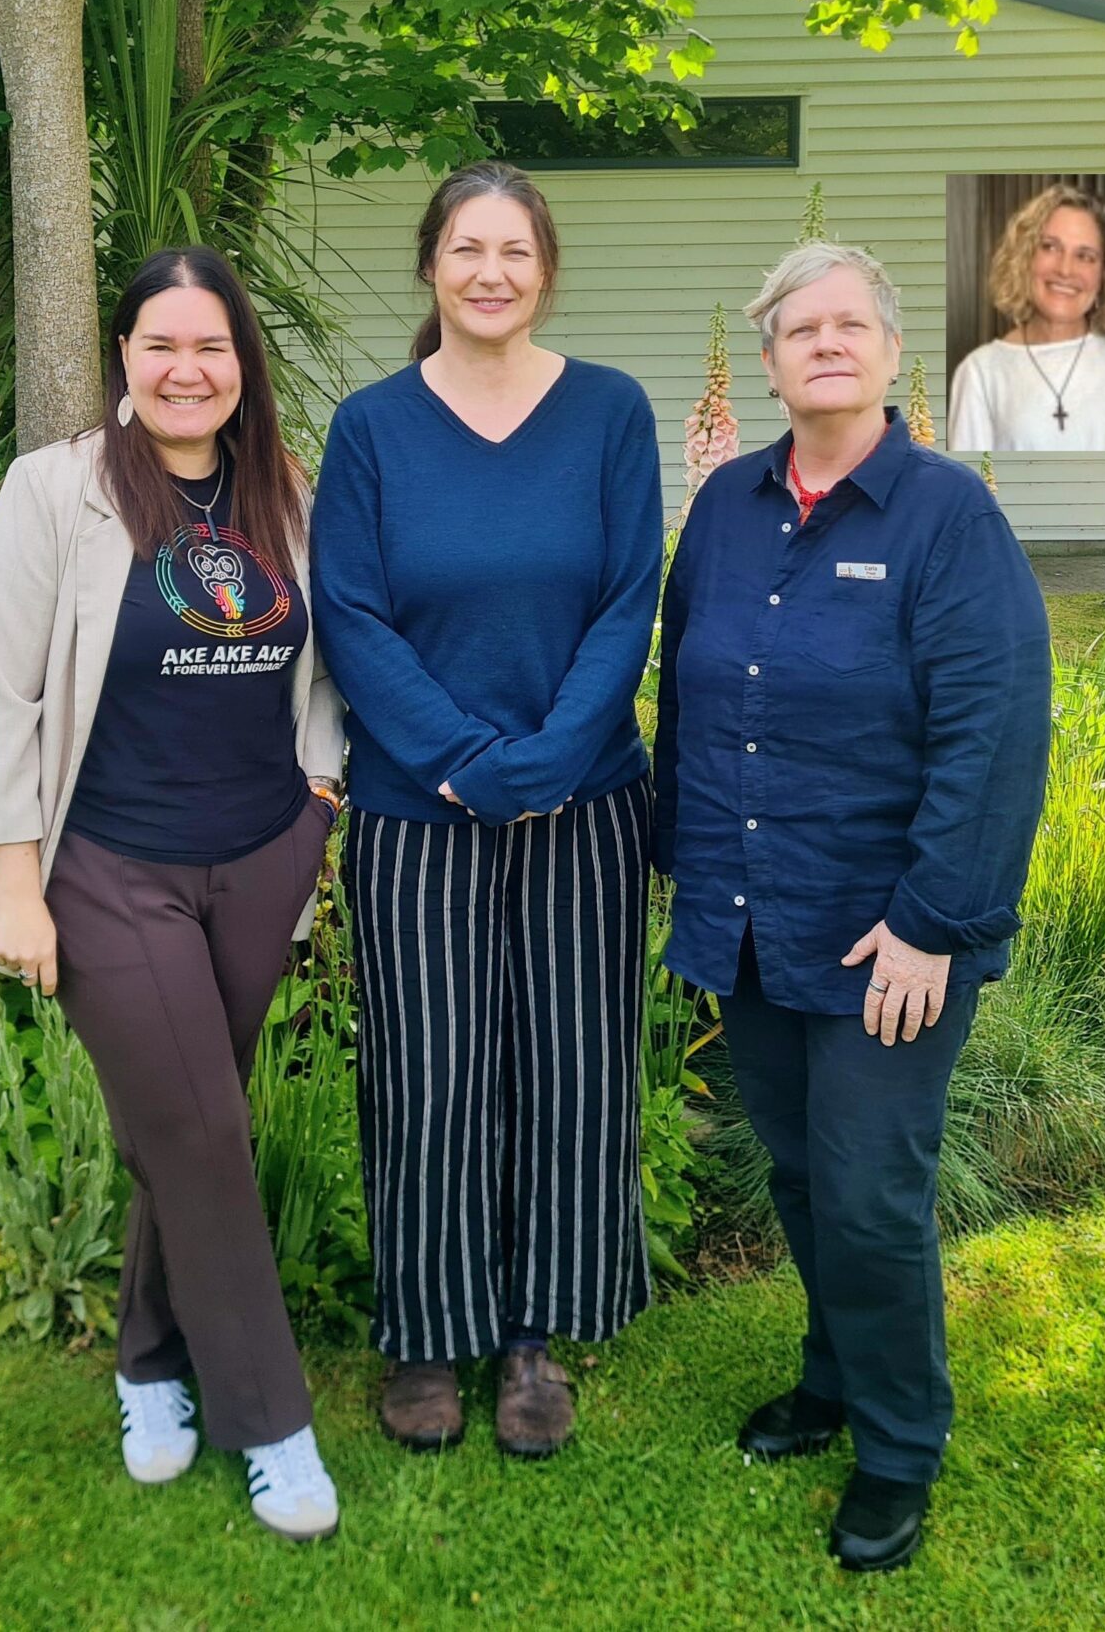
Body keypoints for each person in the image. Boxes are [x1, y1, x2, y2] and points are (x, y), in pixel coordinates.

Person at [652, 241, 1051, 1572]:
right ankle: (831, 1375)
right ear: (768, 361)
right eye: (798, 328)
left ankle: (897, 1444)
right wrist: (685, 876)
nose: (824, 343)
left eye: (849, 324)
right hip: (754, 916)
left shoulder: (947, 517)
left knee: (873, 1189)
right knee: (803, 1171)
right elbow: (694, 696)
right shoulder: (725, 509)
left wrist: (936, 916)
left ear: (888, 352)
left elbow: (992, 735)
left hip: (889, 931)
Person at [0, 246, 348, 1542]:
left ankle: (146, 1358)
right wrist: (16, 888)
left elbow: (331, 668)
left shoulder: (287, 494)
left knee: (184, 1127)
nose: (188, 367)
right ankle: (270, 1420)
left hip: (260, 853)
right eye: (161, 344)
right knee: (206, 1133)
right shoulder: (56, 493)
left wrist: (322, 797)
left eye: (212, 346)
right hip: (108, 866)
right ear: (124, 357)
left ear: (243, 364)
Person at [311, 160, 663, 1459]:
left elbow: (630, 597)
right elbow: (350, 610)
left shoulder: (610, 414)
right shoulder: (373, 427)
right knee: (429, 1072)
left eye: (514, 249)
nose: (491, 271)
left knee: (568, 1069)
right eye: (467, 247)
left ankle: (532, 1335)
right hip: (418, 809)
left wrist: (549, 758)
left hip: (584, 808)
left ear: (546, 269)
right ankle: (423, 1333)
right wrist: (462, 758)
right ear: (431, 267)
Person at [946, 183, 1105, 453]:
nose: (1065, 269)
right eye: (1049, 247)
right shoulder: (980, 373)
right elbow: (971, 489)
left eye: (1085, 256)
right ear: (1024, 257)